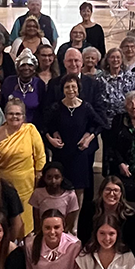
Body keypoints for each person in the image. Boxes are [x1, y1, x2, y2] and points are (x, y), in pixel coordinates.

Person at [0, 97, 46, 236]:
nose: (14, 117)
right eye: (11, 113)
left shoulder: (30, 130)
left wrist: (39, 176)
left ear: (23, 116)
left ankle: (24, 241)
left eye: (18, 114)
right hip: (3, 183)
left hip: (26, 184)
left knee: (25, 218)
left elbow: (40, 156)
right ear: (5, 115)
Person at [46, 75, 101, 208]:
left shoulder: (86, 107)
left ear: (78, 89)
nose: (70, 90)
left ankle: (76, 220)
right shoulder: (56, 107)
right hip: (61, 153)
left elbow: (99, 124)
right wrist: (51, 138)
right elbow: (45, 126)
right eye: (67, 87)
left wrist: (88, 138)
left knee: (79, 189)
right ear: (62, 89)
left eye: (73, 87)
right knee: (61, 187)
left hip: (79, 153)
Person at [45, 47, 110, 134]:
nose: (73, 64)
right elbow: (47, 111)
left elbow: (99, 113)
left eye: (76, 60)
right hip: (60, 137)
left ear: (82, 62)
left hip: (87, 137)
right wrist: (53, 132)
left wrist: (90, 134)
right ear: (64, 63)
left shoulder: (93, 84)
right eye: (69, 60)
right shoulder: (54, 84)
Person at [104, 90, 135, 202]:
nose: (134, 106)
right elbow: (112, 145)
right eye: (130, 103)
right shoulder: (118, 120)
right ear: (126, 106)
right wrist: (120, 163)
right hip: (122, 169)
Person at [30, 162, 79, 235]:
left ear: (62, 178)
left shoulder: (70, 195)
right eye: (49, 177)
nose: (53, 181)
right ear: (44, 178)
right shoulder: (38, 193)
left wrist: (60, 235)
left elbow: (70, 221)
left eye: (57, 177)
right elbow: (36, 218)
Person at [87, 176, 135, 240]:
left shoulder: (130, 216)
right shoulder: (89, 210)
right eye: (108, 189)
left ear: (121, 194)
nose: (111, 194)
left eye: (116, 190)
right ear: (101, 191)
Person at [3, 52, 46, 129]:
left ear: (34, 68)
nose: (26, 68)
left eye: (30, 65)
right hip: (11, 127)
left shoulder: (39, 84)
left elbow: (42, 110)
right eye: (23, 65)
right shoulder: (9, 82)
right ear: (17, 68)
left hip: (33, 128)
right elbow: (3, 104)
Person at [97, 47, 135, 118]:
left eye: (118, 57)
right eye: (112, 57)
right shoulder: (100, 78)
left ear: (122, 59)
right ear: (108, 60)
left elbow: (133, 96)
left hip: (126, 116)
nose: (115, 60)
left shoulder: (129, 76)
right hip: (107, 117)